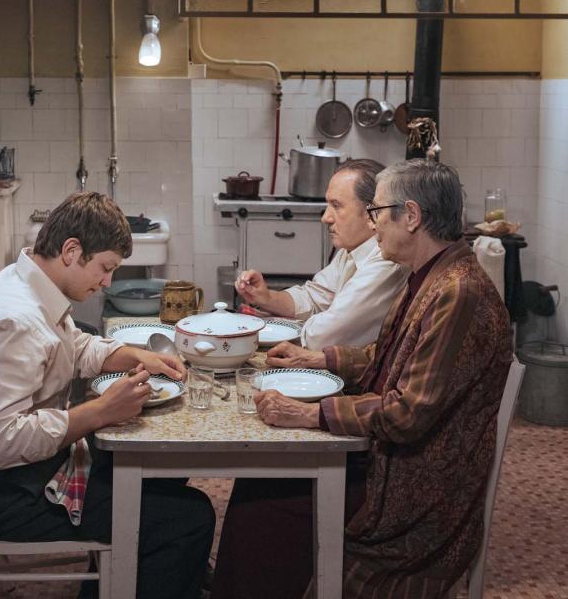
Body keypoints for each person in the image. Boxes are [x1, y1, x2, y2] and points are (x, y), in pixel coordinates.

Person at [212, 159, 514, 598]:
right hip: (393, 463)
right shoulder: (431, 276)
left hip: (414, 491)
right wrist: (322, 358)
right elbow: (384, 355)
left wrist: (310, 414)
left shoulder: (457, 293)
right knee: (261, 481)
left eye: (377, 212)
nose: (372, 225)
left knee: (262, 506)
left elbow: (407, 412)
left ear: (411, 216)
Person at [0, 190, 215, 599]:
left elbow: (70, 347)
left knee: (162, 467)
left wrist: (136, 355)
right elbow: (0, 444)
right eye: (105, 268)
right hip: (7, 494)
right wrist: (101, 411)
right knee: (189, 517)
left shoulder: (28, 282)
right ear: (71, 251)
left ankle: (124, 582)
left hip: (27, 471)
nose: (107, 282)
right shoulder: (16, 319)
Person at [236, 159, 406, 349]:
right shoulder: (351, 250)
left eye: (336, 206)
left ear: (371, 212)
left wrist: (286, 326)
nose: (326, 218)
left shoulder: (386, 260)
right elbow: (314, 297)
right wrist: (267, 298)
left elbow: (323, 337)